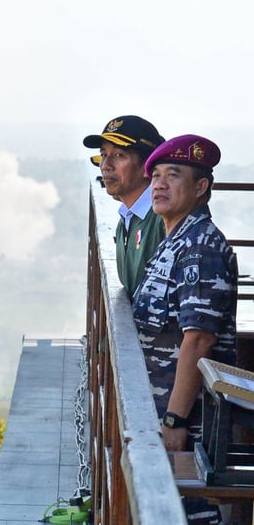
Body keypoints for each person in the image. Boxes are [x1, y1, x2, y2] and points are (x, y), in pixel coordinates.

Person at [132, 134, 237, 525]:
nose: (159, 184)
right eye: (156, 175)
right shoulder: (174, 240)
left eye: (172, 175)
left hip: (185, 423)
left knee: (187, 515)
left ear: (200, 187)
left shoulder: (200, 248)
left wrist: (175, 421)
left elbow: (199, 339)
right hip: (161, 413)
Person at [83, 116, 166, 300]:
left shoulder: (164, 219)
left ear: (147, 165)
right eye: (104, 155)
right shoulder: (127, 221)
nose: (105, 166)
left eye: (119, 155)